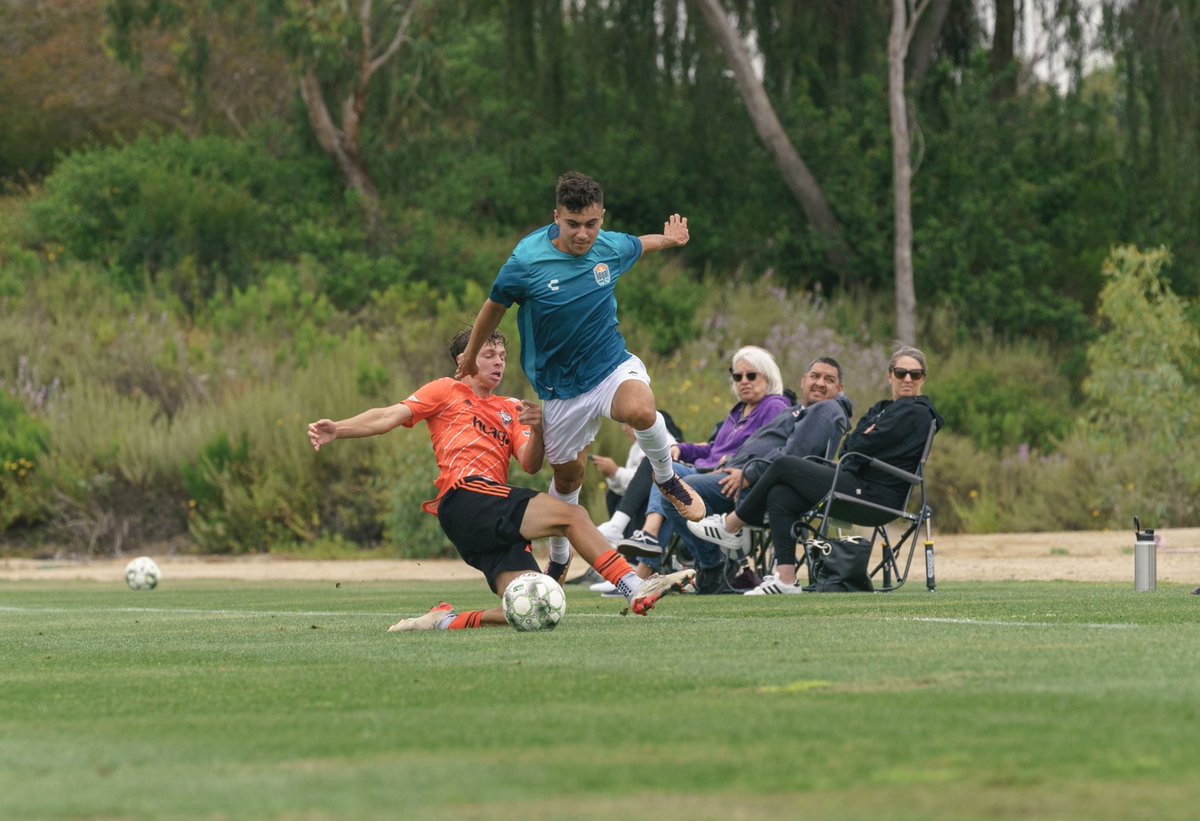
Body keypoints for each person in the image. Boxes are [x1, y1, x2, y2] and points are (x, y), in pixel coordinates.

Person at [306, 329, 694, 631]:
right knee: (571, 517)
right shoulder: (446, 390)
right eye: (488, 354)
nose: (498, 362)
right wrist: (338, 429)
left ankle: (440, 621)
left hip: (484, 518)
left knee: (533, 606)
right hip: (466, 497)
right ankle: (633, 586)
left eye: (503, 356)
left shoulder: (511, 408)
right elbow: (388, 415)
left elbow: (529, 463)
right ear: (463, 360)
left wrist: (540, 430)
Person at [455, 171, 706, 583]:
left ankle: (667, 479)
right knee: (568, 478)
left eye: (592, 224)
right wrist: (469, 354)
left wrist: (672, 240)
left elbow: (640, 244)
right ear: (557, 216)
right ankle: (558, 557)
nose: (583, 234)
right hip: (559, 388)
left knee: (641, 410)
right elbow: (493, 308)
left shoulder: (608, 245)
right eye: (573, 225)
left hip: (609, 366)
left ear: (601, 217)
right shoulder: (527, 260)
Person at [688, 345, 943, 594]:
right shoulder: (883, 409)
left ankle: (731, 525)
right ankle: (786, 579)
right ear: (890, 376)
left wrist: (865, 441)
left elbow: (862, 446)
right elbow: (852, 446)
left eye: (915, 374)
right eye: (901, 373)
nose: (907, 378)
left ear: (923, 379)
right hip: (855, 481)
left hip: (875, 495)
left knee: (784, 464)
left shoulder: (918, 412)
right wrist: (864, 441)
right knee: (781, 494)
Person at [657, 357, 851, 595]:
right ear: (803, 381)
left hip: (759, 486)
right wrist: (729, 463)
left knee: (678, 491)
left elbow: (795, 456)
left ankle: (714, 567)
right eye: (815, 376)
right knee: (673, 486)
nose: (820, 383)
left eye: (829, 379)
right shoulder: (795, 412)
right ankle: (717, 566)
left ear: (839, 389)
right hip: (738, 474)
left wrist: (748, 473)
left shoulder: (826, 410)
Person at [612, 346, 792, 571]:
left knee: (670, 479)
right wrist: (681, 449)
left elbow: (772, 448)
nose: (743, 381)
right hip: (710, 471)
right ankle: (651, 556)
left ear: (768, 376)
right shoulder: (738, 411)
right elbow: (713, 449)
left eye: (751, 375)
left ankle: (699, 561)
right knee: (666, 472)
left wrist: (742, 467)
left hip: (737, 479)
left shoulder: (775, 406)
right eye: (737, 376)